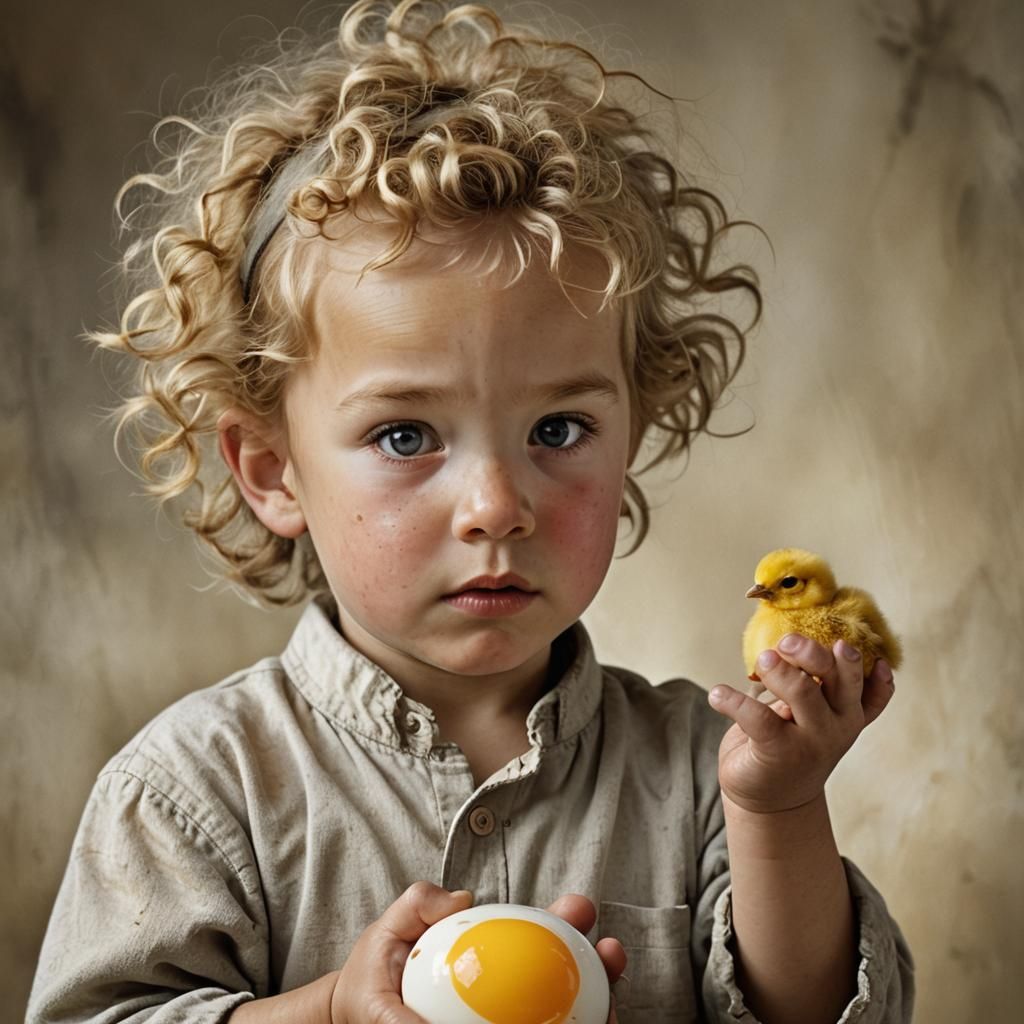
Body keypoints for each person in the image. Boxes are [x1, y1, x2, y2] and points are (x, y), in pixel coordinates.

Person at [27, 1, 914, 1021]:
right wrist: (324, 1012)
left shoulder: (700, 769)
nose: (497, 506)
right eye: (406, 436)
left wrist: (780, 808)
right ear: (270, 469)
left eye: (558, 430)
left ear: (634, 430)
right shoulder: (195, 787)